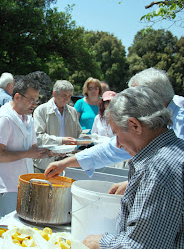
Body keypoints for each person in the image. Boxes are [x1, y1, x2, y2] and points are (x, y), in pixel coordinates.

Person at [45, 68, 184, 194]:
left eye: (135, 98)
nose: (130, 104)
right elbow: (111, 149)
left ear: (150, 99)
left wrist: (136, 182)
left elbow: (174, 171)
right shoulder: (152, 117)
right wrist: (66, 163)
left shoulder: (180, 119)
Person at [82, 86, 184, 248]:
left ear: (135, 125)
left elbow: (141, 245)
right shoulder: (177, 150)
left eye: (116, 134)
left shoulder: (156, 169)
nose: (117, 144)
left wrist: (100, 242)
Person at [0, 77, 49, 219]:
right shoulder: (4, 119)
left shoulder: (28, 119)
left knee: (22, 227)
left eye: (36, 100)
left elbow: (32, 149)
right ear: (17, 97)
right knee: (9, 227)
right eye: (31, 100)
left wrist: (48, 152)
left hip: (23, 183)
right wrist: (28, 153)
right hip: (6, 185)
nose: (34, 104)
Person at [33, 80, 81, 172]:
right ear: (54, 93)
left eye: (69, 96)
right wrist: (61, 141)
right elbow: (38, 137)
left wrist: (86, 139)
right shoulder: (41, 110)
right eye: (64, 95)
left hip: (67, 163)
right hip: (45, 164)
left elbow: (78, 134)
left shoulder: (73, 112)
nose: (67, 99)